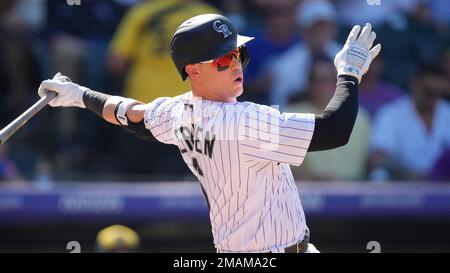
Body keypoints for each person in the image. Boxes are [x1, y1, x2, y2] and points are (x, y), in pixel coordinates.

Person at [38, 14, 381, 253]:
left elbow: (130, 114)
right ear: (193, 71)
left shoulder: (177, 111)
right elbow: (335, 131)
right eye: (222, 60)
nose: (235, 64)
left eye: (238, 53)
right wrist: (348, 73)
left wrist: (79, 95)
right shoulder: (245, 120)